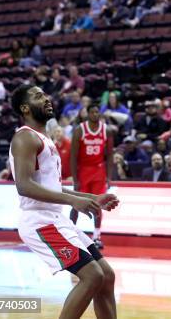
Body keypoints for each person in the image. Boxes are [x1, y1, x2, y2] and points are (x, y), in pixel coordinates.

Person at [9, 84, 118, 319]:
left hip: (55, 219)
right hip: (39, 222)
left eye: (45, 94)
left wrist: (93, 198)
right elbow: (24, 186)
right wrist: (72, 200)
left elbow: (53, 188)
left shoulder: (44, 138)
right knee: (92, 276)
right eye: (39, 96)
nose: (47, 99)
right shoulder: (25, 137)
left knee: (106, 276)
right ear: (25, 108)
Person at [69, 104, 114, 249]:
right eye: (92, 112)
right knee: (76, 202)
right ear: (87, 114)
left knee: (98, 204)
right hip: (83, 170)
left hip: (99, 171)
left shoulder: (106, 129)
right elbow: (73, 156)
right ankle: (70, 234)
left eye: (97, 112)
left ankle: (97, 236)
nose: (95, 114)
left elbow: (110, 155)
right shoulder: (79, 130)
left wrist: (109, 176)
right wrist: (75, 178)